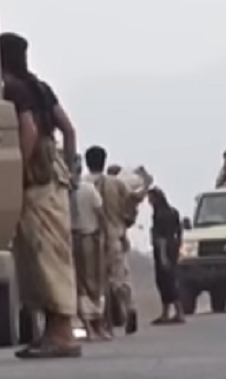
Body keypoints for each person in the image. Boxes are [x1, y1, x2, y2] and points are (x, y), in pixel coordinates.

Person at [0, 32, 81, 359]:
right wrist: (70, 168)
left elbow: (29, 129)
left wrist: (16, 171)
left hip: (37, 182)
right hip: (55, 176)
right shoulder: (41, 88)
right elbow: (68, 129)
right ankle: (52, 331)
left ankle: (61, 333)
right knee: (46, 254)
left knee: (45, 256)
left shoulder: (13, 89)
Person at [84, 145, 147, 336]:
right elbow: (134, 198)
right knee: (120, 278)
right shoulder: (117, 183)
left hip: (91, 237)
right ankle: (130, 307)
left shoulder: (83, 184)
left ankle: (101, 320)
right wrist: (146, 183)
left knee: (94, 281)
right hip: (115, 236)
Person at [72, 156, 108, 339]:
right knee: (95, 281)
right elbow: (100, 212)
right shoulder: (88, 189)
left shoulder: (67, 191)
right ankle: (96, 325)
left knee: (82, 284)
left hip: (74, 238)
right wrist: (105, 235)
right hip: (89, 237)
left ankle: (90, 326)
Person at [148, 188, 185, 324]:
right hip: (173, 246)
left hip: (163, 248)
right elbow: (179, 230)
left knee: (165, 281)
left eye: (151, 198)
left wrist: (163, 256)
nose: (149, 201)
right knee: (170, 279)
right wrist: (178, 245)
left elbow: (161, 237)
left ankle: (177, 312)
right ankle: (168, 312)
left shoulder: (159, 215)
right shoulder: (173, 212)